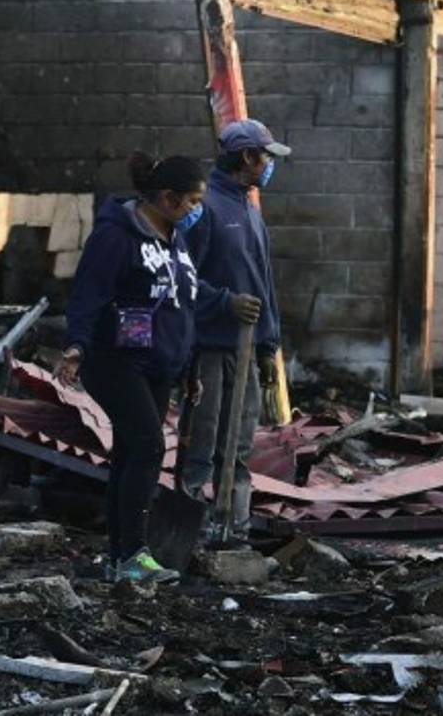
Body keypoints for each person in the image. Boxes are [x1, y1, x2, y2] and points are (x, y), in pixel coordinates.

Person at [54, 153, 218, 583]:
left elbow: (184, 304)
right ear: (167, 197)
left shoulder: (176, 240)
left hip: (159, 364)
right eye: (193, 200)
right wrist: (76, 346)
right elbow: (88, 293)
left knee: (130, 453)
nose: (197, 209)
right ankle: (133, 554)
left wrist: (189, 368)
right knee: (147, 447)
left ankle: (118, 558)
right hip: (116, 361)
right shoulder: (116, 235)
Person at [180, 119, 290, 542]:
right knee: (202, 446)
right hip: (208, 350)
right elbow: (181, 277)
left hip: (246, 351)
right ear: (247, 157)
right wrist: (224, 302)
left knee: (239, 447)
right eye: (266, 157)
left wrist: (268, 347)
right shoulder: (203, 208)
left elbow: (264, 285)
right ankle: (191, 528)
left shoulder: (250, 209)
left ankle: (234, 529)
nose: (269, 166)